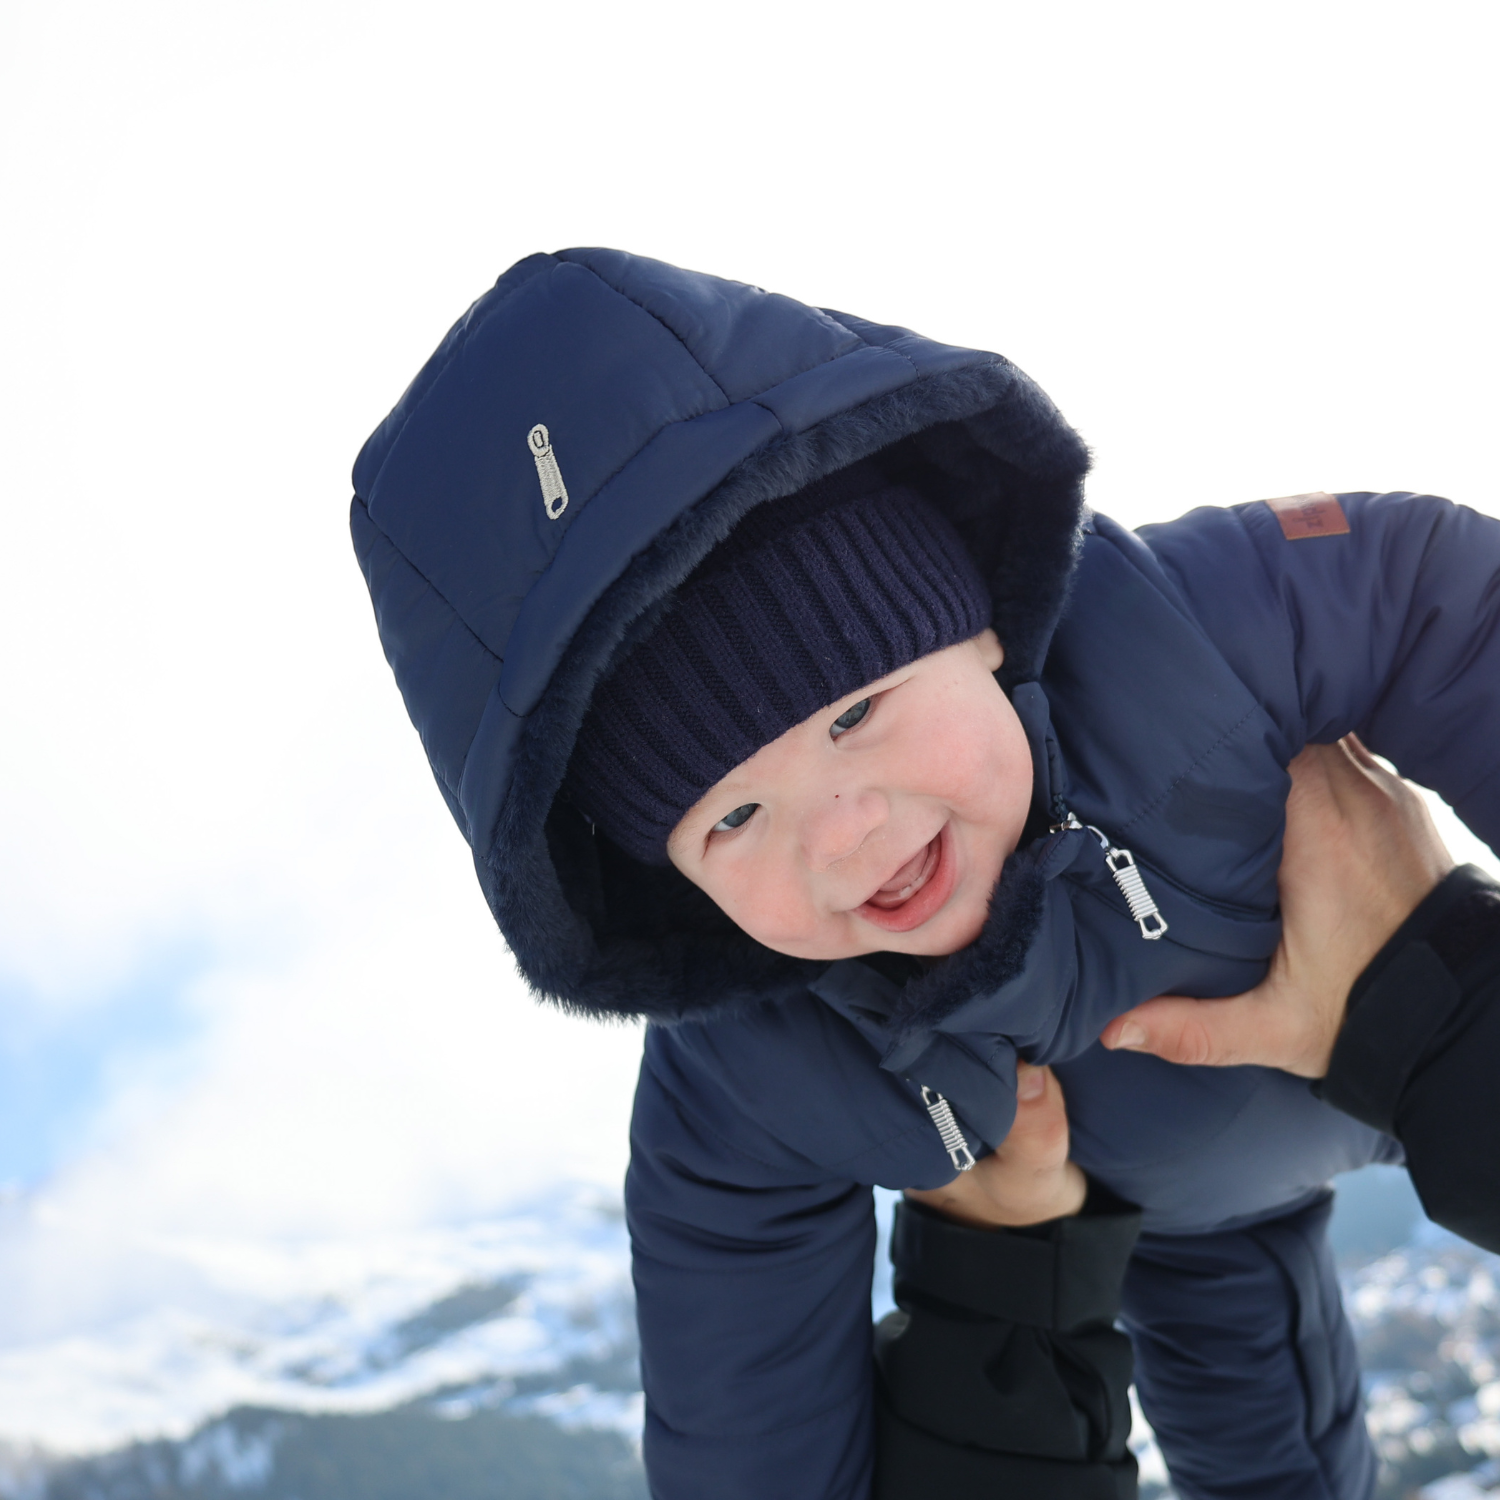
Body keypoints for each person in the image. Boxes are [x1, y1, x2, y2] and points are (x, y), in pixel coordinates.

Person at [349, 247, 1500, 1499]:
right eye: (733, 818)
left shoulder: (1185, 644)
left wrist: (1445, 990)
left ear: (982, 625)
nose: (845, 837)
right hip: (1177, 1231)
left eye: (858, 714)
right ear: (666, 880)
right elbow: (750, 1432)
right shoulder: (747, 1072)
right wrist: (1002, 1293)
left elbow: (1442, 601)